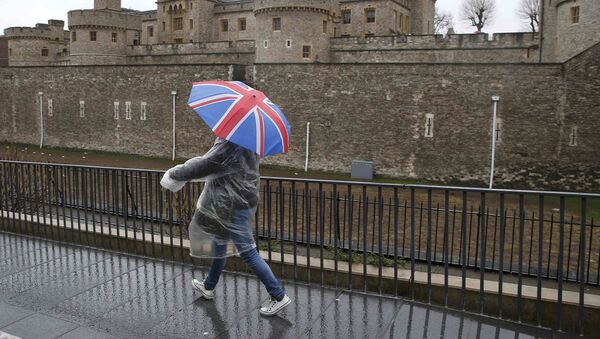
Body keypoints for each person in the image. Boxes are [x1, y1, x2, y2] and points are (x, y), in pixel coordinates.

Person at [160, 137, 291, 316]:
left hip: (231, 204)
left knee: (249, 252)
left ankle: (278, 295)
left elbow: (206, 164)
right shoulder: (250, 141)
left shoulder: (232, 142)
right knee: (220, 243)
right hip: (239, 200)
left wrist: (174, 174)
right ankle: (208, 286)